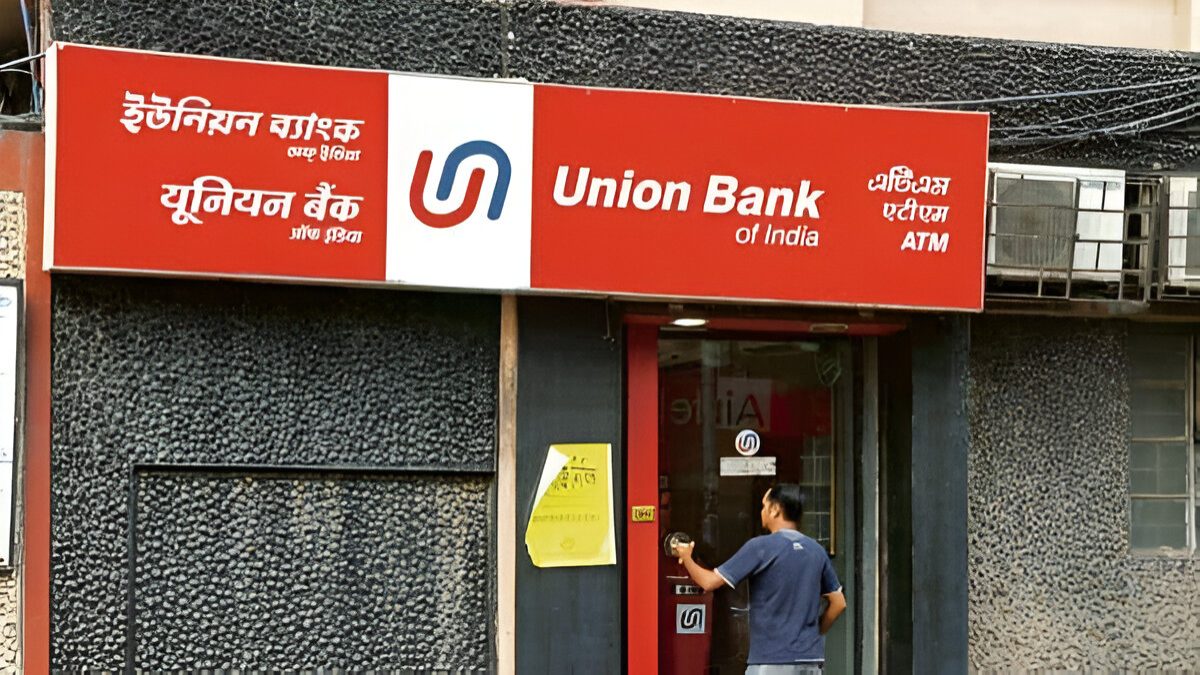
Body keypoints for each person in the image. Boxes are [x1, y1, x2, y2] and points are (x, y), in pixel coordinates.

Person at [673, 483, 846, 674]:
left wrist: (686, 557)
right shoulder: (816, 550)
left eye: (764, 506)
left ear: (775, 509)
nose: (762, 511)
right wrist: (816, 633)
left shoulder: (761, 547)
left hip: (772, 662)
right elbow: (838, 603)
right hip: (811, 662)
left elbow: (708, 582)